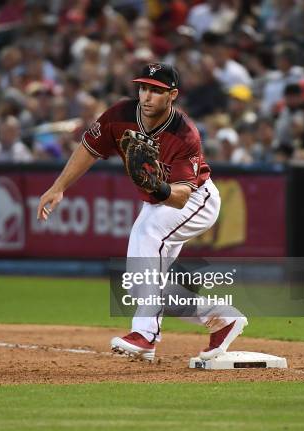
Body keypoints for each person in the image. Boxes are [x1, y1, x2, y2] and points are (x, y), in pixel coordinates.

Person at [36, 63, 248, 362]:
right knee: (142, 285)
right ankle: (221, 319)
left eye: (156, 91)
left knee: (147, 233)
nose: (147, 96)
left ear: (172, 95)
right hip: (157, 203)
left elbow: (180, 198)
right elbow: (89, 148)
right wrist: (59, 186)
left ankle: (146, 335)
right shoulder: (121, 114)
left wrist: (157, 186)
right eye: (143, 88)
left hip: (195, 201)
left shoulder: (184, 133)